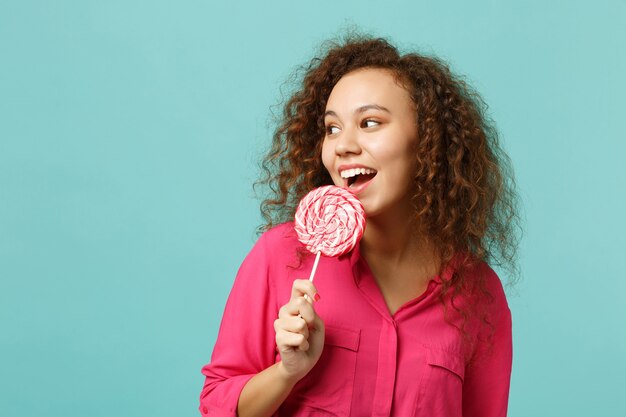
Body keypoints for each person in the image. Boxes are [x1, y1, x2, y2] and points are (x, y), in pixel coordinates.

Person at [199, 33, 521, 417]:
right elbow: (217, 406)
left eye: (369, 123)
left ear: (429, 142)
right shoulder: (281, 256)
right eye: (332, 128)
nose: (343, 145)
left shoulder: (478, 293)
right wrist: (287, 372)